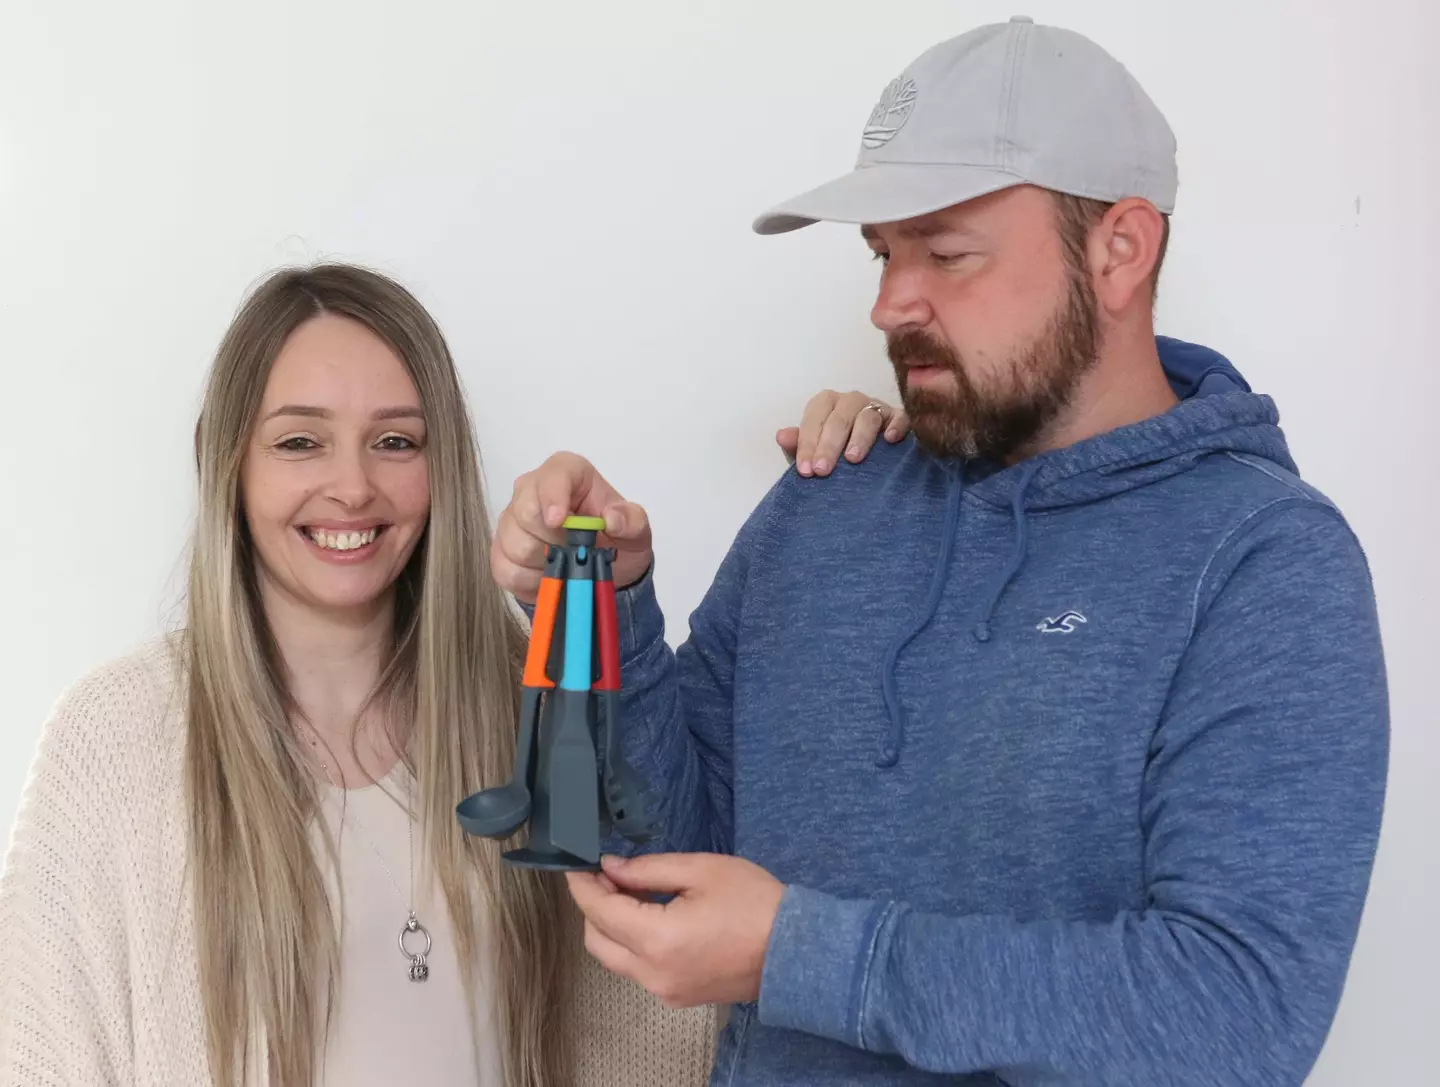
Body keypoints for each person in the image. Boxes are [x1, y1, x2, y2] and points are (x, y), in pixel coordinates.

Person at [491, 17, 1390, 1087]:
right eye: (882, 253)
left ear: (1120, 248)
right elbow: (669, 849)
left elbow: (1238, 1017)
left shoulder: (1264, 564)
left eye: (947, 252)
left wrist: (801, 954)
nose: (888, 304)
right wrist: (612, 605)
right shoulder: (826, 505)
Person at [0, 262, 890, 1086]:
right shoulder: (114, 739)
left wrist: (874, 465)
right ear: (220, 459)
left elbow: (692, 923)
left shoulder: (535, 704)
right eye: (301, 442)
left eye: (394, 440)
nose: (352, 488)